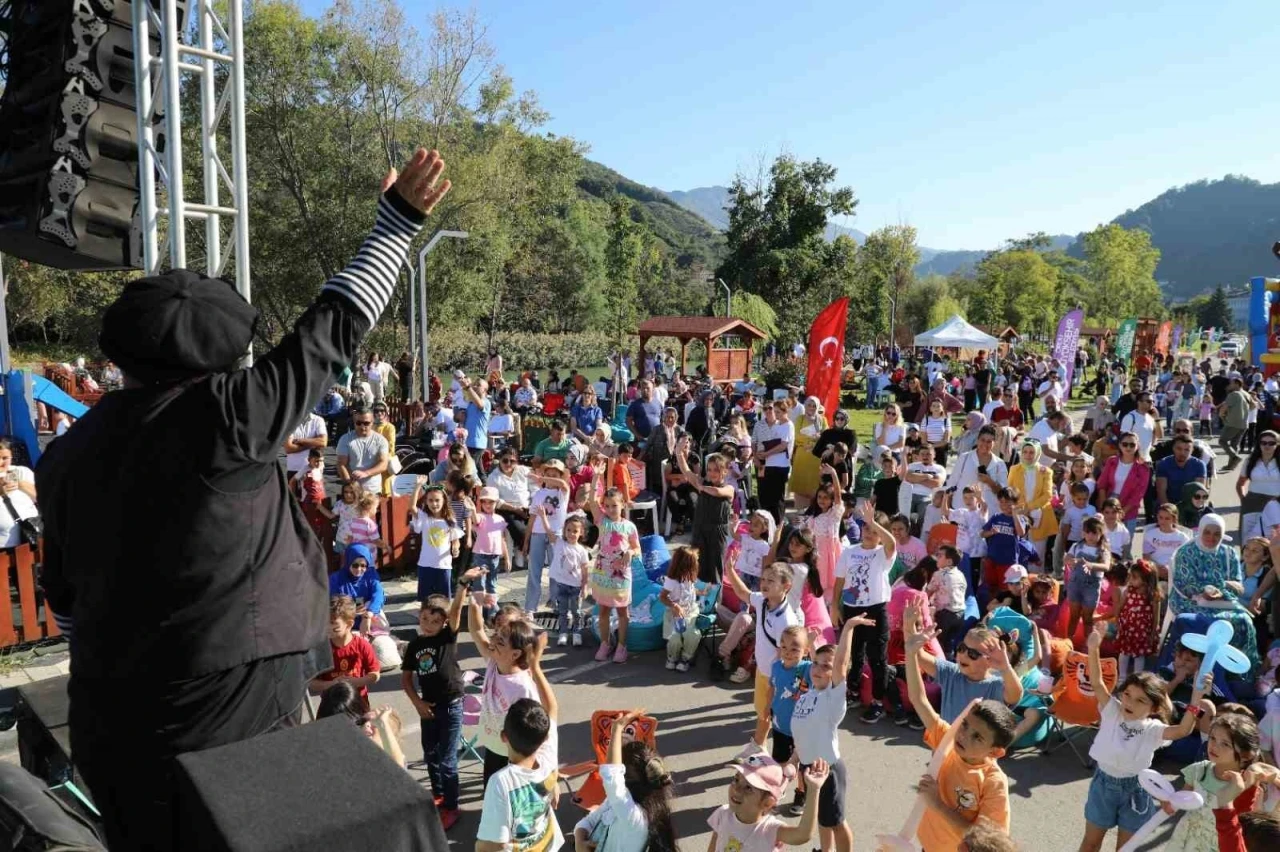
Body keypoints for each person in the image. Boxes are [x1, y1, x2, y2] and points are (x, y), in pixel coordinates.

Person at [33, 148, 450, 848]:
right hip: (233, 728)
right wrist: (396, 221)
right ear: (222, 361)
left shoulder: (68, 452)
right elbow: (332, 328)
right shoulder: (229, 417)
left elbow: (67, 602)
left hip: (113, 727)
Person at [1076, 624, 1210, 852]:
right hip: (1103, 784)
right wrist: (1093, 648)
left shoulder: (1152, 728)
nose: (1129, 702)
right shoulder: (1112, 710)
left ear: (1154, 707)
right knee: (1090, 843)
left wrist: (1196, 698)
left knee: (1126, 848)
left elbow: (1182, 730)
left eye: (1140, 701)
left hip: (1137, 790)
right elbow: (1097, 683)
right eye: (1127, 694)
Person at [902, 607, 1016, 851]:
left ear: (995, 751)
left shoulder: (993, 782)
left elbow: (987, 842)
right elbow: (918, 699)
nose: (963, 734)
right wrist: (910, 649)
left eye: (977, 737)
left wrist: (937, 803)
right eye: (964, 724)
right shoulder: (947, 741)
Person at [475, 633, 562, 852]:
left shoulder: (501, 782)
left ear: (504, 737)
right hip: (547, 843)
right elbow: (552, 709)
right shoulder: (548, 755)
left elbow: (492, 844)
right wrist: (536, 664)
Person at [401, 590, 468, 829]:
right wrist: (417, 703)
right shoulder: (415, 645)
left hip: (451, 707)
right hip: (427, 708)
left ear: (445, 623)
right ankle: (438, 795)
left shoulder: (447, 638)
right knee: (430, 754)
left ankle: (451, 806)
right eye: (425, 619)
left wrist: (462, 586)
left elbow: (457, 610)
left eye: (435, 621)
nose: (429, 625)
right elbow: (406, 679)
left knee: (448, 761)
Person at [572, 709, 677, 852]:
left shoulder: (634, 817)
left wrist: (616, 729)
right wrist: (580, 841)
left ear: (624, 777)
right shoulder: (627, 803)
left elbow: (611, 777)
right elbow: (588, 821)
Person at [1169, 514, 1261, 673]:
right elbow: (1185, 586)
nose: (1211, 537)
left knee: (1244, 620)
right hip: (1190, 601)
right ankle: (1196, 667)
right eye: (1207, 532)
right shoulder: (1187, 552)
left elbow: (1239, 586)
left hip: (1222, 601)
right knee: (1213, 622)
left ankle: (1235, 669)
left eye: (1217, 533)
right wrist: (1204, 591)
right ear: (1201, 530)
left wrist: (1223, 588)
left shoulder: (1229, 553)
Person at [831, 504, 897, 724]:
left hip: (876, 610)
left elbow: (892, 543)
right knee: (854, 655)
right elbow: (839, 581)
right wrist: (834, 606)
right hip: (851, 608)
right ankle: (854, 692)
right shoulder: (850, 551)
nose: (870, 533)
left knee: (878, 658)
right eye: (867, 528)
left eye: (875, 531)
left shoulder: (883, 554)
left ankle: (878, 702)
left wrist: (876, 522)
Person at [1166, 712, 1265, 852]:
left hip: (1218, 845)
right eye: (1212, 738)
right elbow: (1183, 796)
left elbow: (1246, 826)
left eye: (1225, 744)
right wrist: (1171, 803)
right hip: (1186, 838)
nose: (1214, 746)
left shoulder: (1246, 785)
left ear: (1246, 755)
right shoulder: (1199, 770)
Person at [706, 756, 829, 852]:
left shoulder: (770, 829)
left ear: (767, 802)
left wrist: (813, 789)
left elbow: (803, 834)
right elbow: (714, 846)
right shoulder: (722, 814)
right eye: (736, 779)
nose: (736, 789)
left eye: (748, 788)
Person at [585, 476, 642, 664]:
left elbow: (637, 548)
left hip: (621, 574)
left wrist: (630, 553)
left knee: (623, 611)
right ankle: (605, 643)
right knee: (603, 610)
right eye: (607, 505)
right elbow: (592, 501)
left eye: (614, 506)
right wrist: (595, 478)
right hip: (603, 571)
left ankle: (622, 645)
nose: (610, 509)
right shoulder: (602, 520)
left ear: (623, 505)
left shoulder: (629, 526)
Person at [310, 595, 381, 705]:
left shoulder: (362, 645)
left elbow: (375, 674)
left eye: (333, 623)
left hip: (359, 704)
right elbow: (311, 683)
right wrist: (331, 684)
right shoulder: (321, 650)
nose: (328, 627)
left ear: (349, 624)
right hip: (330, 707)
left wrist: (356, 682)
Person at [1006, 441, 1058, 568]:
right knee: (1017, 550)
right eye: (1025, 452)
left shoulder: (1046, 472)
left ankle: (1036, 581)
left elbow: (1047, 495)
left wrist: (1028, 508)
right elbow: (1010, 491)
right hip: (1018, 516)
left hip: (1039, 517)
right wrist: (1018, 510)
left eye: (1032, 452)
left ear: (1037, 453)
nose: (1028, 455)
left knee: (1037, 552)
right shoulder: (1014, 469)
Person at [1238, 430, 1280, 539]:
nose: (1267, 446)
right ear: (1259, 444)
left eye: (1271, 443)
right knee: (1249, 538)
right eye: (1263, 442)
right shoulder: (1250, 461)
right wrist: (1244, 500)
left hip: (1276, 503)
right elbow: (1240, 484)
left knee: (1274, 539)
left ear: (1277, 444)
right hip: (1252, 503)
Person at [337, 407, 390, 493]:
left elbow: (383, 464)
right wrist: (349, 483)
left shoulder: (381, 440)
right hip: (352, 490)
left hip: (373, 490)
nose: (362, 426)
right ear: (354, 422)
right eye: (358, 423)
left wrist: (366, 473)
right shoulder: (345, 439)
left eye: (366, 423)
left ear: (372, 423)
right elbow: (341, 464)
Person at [1156, 434, 1208, 507]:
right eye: (1179, 449)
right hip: (1168, 505)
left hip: (1192, 505)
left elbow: (1199, 494)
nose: (1182, 453)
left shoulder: (1199, 465)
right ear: (1173, 448)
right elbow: (1161, 492)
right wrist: (1170, 511)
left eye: (1187, 450)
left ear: (1192, 450)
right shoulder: (1163, 464)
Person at [283, 411, 327, 484]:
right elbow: (288, 448)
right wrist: (313, 442)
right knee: (294, 495)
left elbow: (323, 442)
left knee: (314, 494)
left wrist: (301, 441)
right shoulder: (289, 422)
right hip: (294, 468)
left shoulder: (318, 420)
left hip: (314, 469)